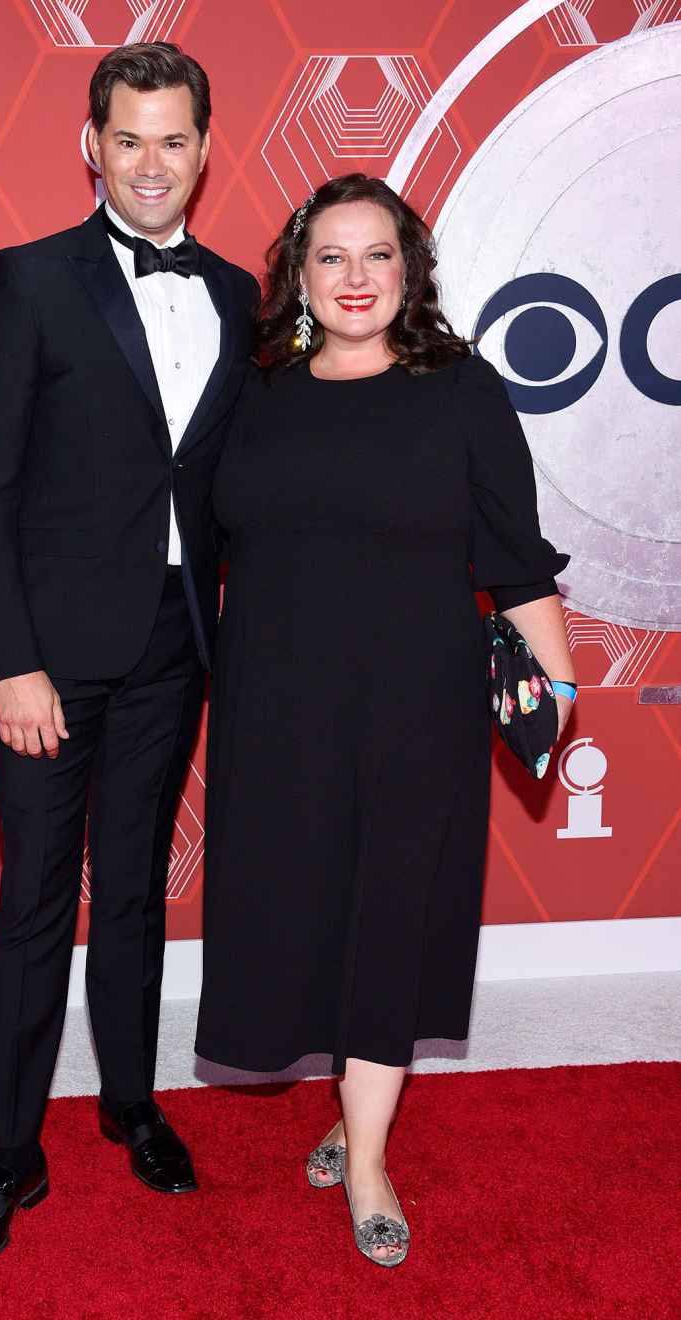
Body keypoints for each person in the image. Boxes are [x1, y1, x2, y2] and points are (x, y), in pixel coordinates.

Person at [194, 173, 575, 1267]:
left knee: (395, 913)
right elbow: (205, 538)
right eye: (331, 257)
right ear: (300, 276)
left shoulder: (463, 390)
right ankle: (347, 1103)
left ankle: (365, 1157)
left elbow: (516, 557)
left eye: (377, 256)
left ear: (409, 271)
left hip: (418, 700)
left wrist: (558, 694)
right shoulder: (255, 392)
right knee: (302, 909)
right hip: (275, 702)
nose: (355, 277)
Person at [0, 43, 259, 1276]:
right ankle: (10, 1156)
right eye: (130, 138)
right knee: (35, 905)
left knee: (132, 893)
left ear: (204, 148)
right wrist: (9, 662)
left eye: (175, 139)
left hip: (177, 644)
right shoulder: (26, 282)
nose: (153, 162)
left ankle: (132, 1104)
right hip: (52, 662)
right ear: (91, 146)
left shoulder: (235, 293)